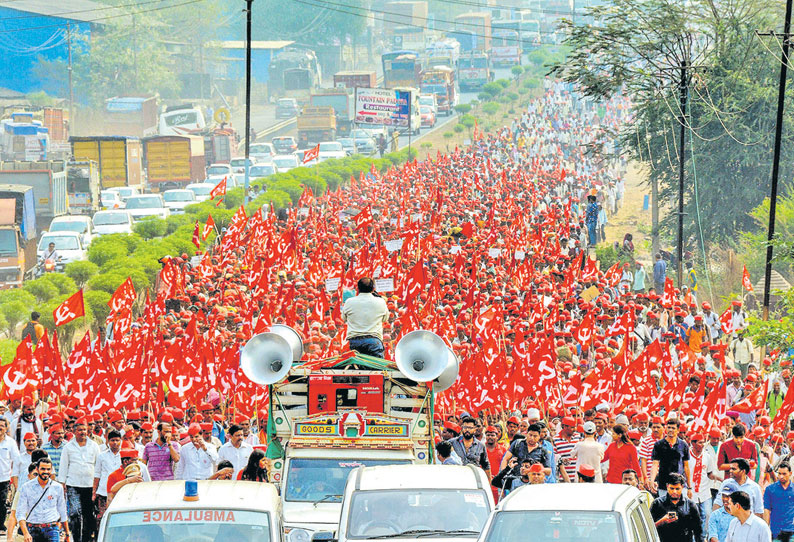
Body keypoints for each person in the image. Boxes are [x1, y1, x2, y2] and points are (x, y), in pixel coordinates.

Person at [57, 418, 99, 542]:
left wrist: (97, 486)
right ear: (75, 431)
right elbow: (63, 466)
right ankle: (76, 537)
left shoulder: (94, 446)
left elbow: (98, 466)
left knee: (88, 514)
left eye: (84, 430)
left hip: (89, 485)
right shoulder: (68, 447)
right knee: (75, 513)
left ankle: (86, 538)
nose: (82, 432)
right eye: (80, 430)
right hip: (73, 485)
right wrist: (62, 484)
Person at [16, 459, 69, 542]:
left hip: (52, 530)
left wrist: (67, 533)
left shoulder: (58, 487)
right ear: (37, 469)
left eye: (48, 469)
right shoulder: (26, 487)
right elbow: (20, 513)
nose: (46, 472)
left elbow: (62, 511)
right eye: (43, 469)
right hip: (33, 530)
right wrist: (26, 533)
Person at [341, 277, 389, 358]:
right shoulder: (380, 302)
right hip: (374, 341)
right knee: (376, 368)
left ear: (357, 288)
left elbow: (343, 318)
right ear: (373, 289)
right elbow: (385, 319)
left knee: (356, 367)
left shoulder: (349, 302)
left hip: (354, 342)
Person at [651, 472, 703, 542]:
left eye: (677, 489)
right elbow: (648, 528)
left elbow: (698, 531)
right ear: (667, 486)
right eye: (671, 488)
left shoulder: (690, 505)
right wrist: (662, 521)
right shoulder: (657, 504)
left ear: (682, 487)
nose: (674, 492)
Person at [651, 418, 692, 497]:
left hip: (679, 485)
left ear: (678, 430)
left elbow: (686, 466)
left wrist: (689, 487)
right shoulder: (658, 445)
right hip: (664, 485)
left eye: (673, 428)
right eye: (669, 427)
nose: (670, 430)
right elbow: (655, 464)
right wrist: (652, 480)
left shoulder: (683, 445)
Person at [690, 433, 718, 536]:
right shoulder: (687, 457)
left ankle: (703, 536)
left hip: (705, 491)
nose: (702, 445)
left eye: (703, 442)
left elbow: (709, 473)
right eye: (700, 442)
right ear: (693, 443)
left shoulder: (707, 457)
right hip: (691, 492)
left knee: (707, 514)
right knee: (694, 516)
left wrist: (719, 478)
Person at [93, 430, 122, 521]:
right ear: (108, 441)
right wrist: (94, 491)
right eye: (112, 440)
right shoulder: (102, 456)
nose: (115, 443)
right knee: (103, 517)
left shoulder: (124, 456)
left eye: (117, 440)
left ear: (121, 441)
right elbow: (97, 474)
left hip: (120, 491)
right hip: (103, 491)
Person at [763, 461, 794, 541]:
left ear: (790, 473)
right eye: (779, 474)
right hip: (776, 530)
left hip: (791, 531)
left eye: (784, 474)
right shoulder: (770, 489)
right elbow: (767, 510)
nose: (781, 476)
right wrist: (766, 529)